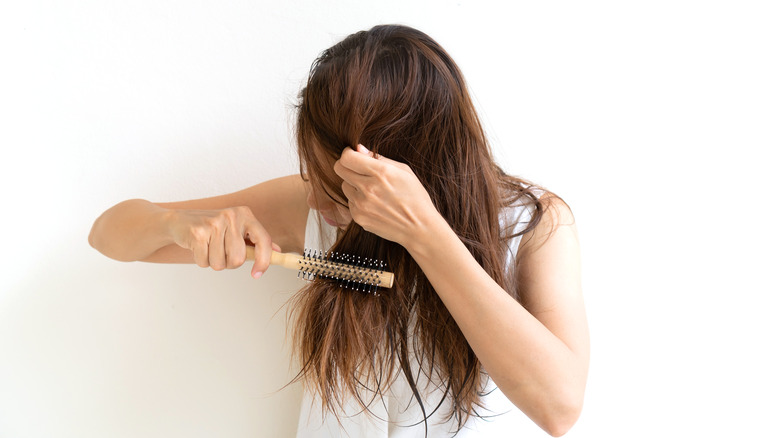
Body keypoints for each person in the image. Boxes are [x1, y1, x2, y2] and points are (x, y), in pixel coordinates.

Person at [89, 24, 589, 437]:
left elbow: (559, 407)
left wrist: (424, 233)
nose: (314, 199)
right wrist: (177, 225)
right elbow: (107, 235)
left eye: (335, 184)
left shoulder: (532, 226)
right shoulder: (312, 208)